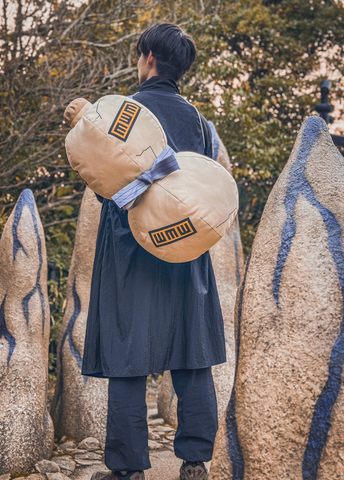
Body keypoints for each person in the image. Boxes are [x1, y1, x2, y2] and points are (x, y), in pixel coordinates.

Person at [82, 23, 226, 480]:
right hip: (185, 249)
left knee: (127, 357)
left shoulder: (124, 112)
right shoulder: (200, 122)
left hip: (131, 254)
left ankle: (128, 469)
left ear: (147, 58)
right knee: (192, 354)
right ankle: (195, 462)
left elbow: (105, 185)